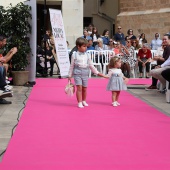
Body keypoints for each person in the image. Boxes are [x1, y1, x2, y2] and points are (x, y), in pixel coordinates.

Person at [68, 37, 106, 108]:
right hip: (77, 72)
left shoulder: (87, 55)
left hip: (85, 72)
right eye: (84, 46)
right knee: (79, 88)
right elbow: (72, 65)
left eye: (86, 46)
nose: (85, 48)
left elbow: (91, 65)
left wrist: (97, 73)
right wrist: (69, 75)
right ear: (78, 46)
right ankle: (79, 102)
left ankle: (84, 100)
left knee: (84, 88)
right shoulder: (74, 54)